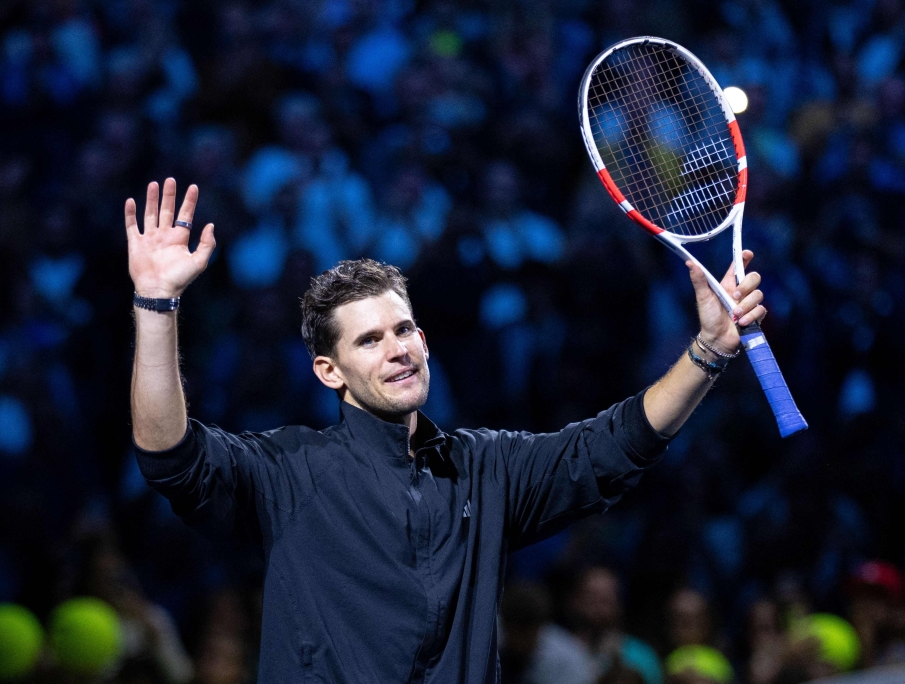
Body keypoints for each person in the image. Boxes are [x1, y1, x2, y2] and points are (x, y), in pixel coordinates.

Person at [124, 179, 768, 683]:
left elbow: (613, 445)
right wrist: (156, 306)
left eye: (403, 331)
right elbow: (169, 456)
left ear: (425, 340)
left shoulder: (485, 468)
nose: (397, 349)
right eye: (370, 340)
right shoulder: (287, 469)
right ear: (329, 372)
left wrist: (709, 349)